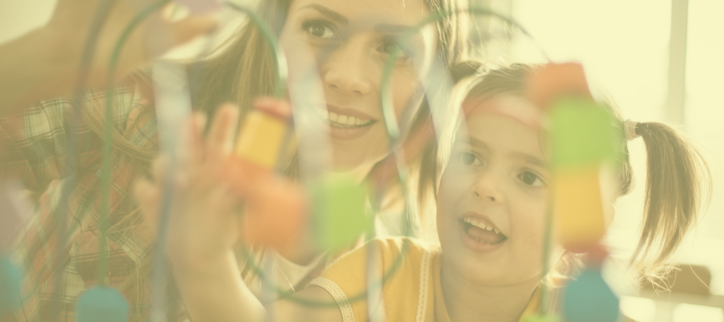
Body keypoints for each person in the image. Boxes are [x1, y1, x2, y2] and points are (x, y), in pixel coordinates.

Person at [0, 0, 469, 321]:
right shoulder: (145, 116)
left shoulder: (388, 282)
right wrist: (47, 52)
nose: (346, 78)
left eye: (392, 50)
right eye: (319, 28)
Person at [140, 63, 711, 322]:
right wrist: (205, 264)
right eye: (471, 156)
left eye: (529, 176)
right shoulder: (381, 271)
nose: (484, 186)